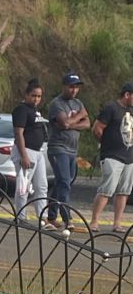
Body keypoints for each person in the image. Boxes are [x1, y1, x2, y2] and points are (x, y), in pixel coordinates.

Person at [46, 72, 90, 234]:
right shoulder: (57, 104)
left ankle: (51, 217)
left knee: (63, 183)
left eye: (76, 87)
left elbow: (87, 123)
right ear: (64, 86)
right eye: (71, 87)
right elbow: (64, 123)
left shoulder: (78, 103)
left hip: (72, 149)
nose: (73, 90)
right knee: (64, 181)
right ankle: (67, 218)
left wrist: (73, 122)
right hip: (59, 148)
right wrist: (79, 117)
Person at [91, 82, 133, 234]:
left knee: (124, 191)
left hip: (129, 155)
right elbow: (97, 128)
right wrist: (105, 144)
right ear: (127, 95)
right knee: (106, 189)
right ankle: (94, 221)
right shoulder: (111, 108)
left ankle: (117, 223)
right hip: (112, 155)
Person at [10, 78, 48, 222]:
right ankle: (21, 216)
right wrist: (24, 156)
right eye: (33, 95)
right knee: (23, 186)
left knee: (41, 185)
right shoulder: (21, 110)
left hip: (38, 152)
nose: (36, 99)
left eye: (39, 96)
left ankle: (42, 216)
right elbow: (19, 133)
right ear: (26, 95)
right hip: (26, 150)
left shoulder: (35, 110)